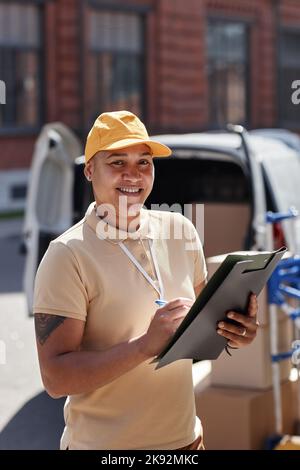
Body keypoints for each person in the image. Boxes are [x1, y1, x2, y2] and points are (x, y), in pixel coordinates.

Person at [33, 110, 259, 450]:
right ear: (90, 170)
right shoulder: (67, 254)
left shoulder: (179, 230)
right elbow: (55, 378)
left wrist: (235, 331)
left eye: (144, 162)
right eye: (117, 162)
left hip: (185, 442)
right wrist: (142, 347)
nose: (133, 175)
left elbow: (201, 328)